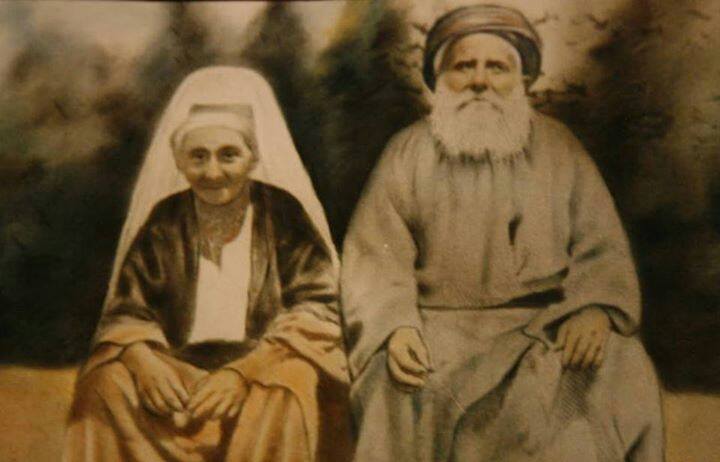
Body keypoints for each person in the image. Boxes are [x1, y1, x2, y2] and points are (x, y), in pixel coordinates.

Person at [341, 5, 664, 461]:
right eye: (463, 67)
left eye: (496, 67)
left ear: (521, 80)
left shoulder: (560, 149)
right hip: (437, 334)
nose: (480, 81)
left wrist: (595, 308)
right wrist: (395, 327)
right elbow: (374, 258)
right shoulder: (406, 153)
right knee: (388, 380)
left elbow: (602, 247)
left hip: (542, 331)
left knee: (619, 361)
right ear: (439, 80)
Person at [64, 66, 351, 462]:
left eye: (228, 155)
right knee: (103, 383)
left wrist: (243, 372)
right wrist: (141, 359)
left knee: (288, 384)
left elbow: (317, 307)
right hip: (178, 371)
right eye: (198, 157)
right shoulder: (165, 221)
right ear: (179, 162)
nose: (213, 172)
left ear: (252, 158)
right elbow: (128, 308)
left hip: (263, 366)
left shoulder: (284, 216)